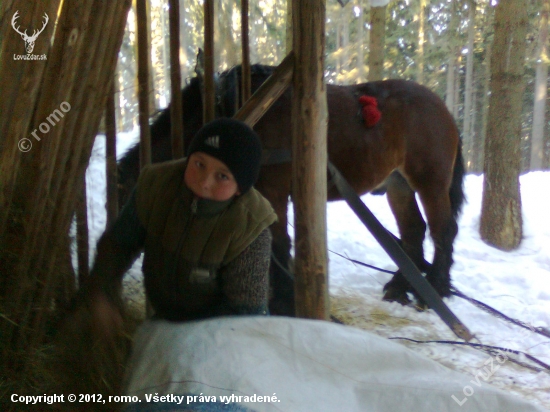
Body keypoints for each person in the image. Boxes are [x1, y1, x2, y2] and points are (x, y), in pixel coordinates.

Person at [80, 118, 277, 328]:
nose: (204, 181)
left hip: (219, 333)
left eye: (222, 176)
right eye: (199, 164)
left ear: (240, 188)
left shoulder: (250, 227)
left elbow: (245, 313)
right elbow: (119, 244)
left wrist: (186, 336)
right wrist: (102, 291)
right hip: (164, 321)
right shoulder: (156, 186)